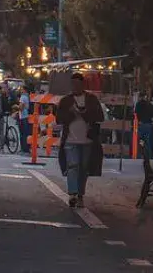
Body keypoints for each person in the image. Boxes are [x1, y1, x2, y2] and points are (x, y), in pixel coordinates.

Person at [56, 73, 104, 208]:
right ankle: (72, 194)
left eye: (77, 84)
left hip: (87, 140)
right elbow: (58, 118)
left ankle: (80, 194)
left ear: (82, 85)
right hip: (70, 140)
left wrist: (84, 114)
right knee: (73, 165)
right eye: (73, 84)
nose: (75, 87)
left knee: (83, 168)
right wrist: (71, 113)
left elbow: (100, 116)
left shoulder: (92, 99)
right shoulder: (66, 101)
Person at [135, 92, 153, 160]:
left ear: (139, 97)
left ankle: (139, 155)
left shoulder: (138, 104)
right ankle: (149, 156)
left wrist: (139, 120)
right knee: (148, 142)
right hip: (149, 125)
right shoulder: (149, 104)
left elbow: (136, 114)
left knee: (138, 140)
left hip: (141, 124)